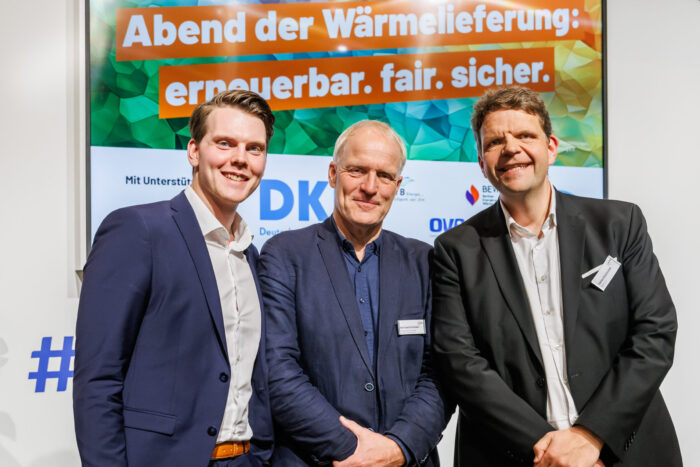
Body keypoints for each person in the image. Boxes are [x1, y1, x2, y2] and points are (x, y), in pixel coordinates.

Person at [432, 86, 681, 466]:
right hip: (515, 455)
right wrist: (551, 450)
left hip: (624, 450)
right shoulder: (455, 249)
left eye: (525, 135)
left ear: (550, 147)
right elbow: (460, 362)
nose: (511, 148)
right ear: (481, 163)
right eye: (495, 142)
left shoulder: (619, 225)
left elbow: (655, 332)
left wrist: (590, 436)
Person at [73, 90, 275, 467]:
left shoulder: (250, 254)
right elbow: (98, 378)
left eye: (254, 148)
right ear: (194, 151)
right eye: (225, 143)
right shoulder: (138, 230)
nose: (240, 159)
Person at [258, 120, 449, 466]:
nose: (370, 187)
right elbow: (278, 370)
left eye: (384, 175)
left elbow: (441, 373)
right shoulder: (285, 254)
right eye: (357, 170)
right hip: (316, 459)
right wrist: (355, 450)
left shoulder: (425, 261)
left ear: (398, 186)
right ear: (333, 174)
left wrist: (398, 449)